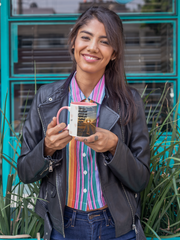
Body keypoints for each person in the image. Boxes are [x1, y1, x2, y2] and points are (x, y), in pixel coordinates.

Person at [17, 6, 150, 240]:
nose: (92, 47)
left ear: (114, 53)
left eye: (104, 41)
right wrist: (47, 148)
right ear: (73, 42)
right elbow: (25, 172)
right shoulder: (46, 99)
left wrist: (114, 147)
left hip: (116, 227)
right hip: (64, 227)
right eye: (85, 37)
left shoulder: (130, 102)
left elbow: (140, 180)